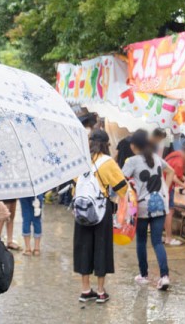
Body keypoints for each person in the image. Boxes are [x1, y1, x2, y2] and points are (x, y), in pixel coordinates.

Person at [123, 130, 183, 291]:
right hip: (160, 205)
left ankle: (143, 274)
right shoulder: (156, 158)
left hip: (142, 207)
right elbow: (170, 171)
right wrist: (166, 187)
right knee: (157, 241)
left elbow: (121, 181)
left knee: (141, 241)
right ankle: (164, 276)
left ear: (134, 146)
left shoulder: (132, 161)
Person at [74, 129, 128, 303]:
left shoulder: (81, 160)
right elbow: (122, 188)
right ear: (106, 144)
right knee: (101, 248)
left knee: (84, 247)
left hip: (82, 210)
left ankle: (85, 289)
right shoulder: (108, 162)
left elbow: (75, 182)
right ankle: (100, 291)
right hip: (100, 210)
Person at [163, 139, 185, 246]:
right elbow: (174, 177)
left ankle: (164, 236)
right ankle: (168, 238)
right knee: (169, 212)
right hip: (166, 188)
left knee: (166, 212)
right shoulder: (180, 161)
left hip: (163, 187)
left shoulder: (175, 154)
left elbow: (177, 175)